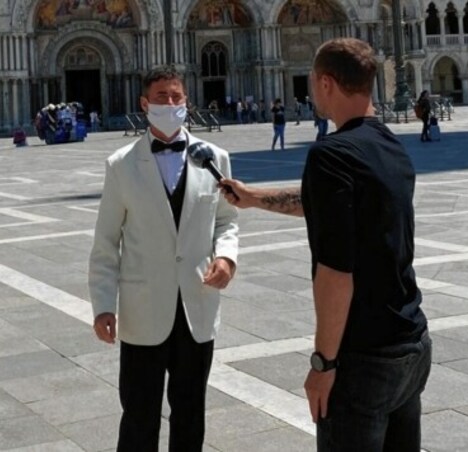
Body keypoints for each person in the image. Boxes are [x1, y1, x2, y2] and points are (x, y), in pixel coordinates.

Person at [220, 38, 431, 452]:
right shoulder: (390, 146)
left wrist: (324, 362)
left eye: (315, 83)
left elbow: (336, 273)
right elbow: (327, 205)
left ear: (327, 84)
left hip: (363, 358)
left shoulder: (330, 155)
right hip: (411, 345)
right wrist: (254, 198)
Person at [89, 64, 238, 452]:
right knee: (139, 414)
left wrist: (226, 258)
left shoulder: (215, 158)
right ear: (144, 104)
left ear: (186, 102)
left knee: (191, 413)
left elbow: (226, 221)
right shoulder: (121, 164)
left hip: (196, 308)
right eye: (161, 98)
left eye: (176, 97)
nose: (170, 104)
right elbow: (106, 242)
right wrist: (103, 306)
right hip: (143, 312)